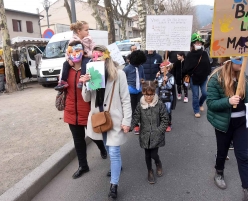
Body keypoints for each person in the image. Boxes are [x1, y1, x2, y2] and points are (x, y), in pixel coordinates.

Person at [82, 45, 132, 200]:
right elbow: (86, 99)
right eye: (93, 57)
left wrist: (126, 120)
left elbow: (125, 99)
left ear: (106, 57)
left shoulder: (119, 75)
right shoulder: (92, 74)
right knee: (107, 147)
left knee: (114, 152)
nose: (95, 59)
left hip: (115, 119)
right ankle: (116, 167)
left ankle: (114, 185)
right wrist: (85, 84)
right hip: (99, 120)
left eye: (98, 56)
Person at [207, 56, 248, 201]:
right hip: (223, 123)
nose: (244, 61)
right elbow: (211, 103)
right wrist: (228, 101)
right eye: (240, 59)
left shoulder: (243, 75)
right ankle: (219, 173)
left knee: (243, 156)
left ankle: (247, 187)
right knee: (222, 151)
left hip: (240, 124)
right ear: (230, 61)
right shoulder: (216, 79)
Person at [63, 41, 107, 180]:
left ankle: (102, 148)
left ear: (83, 51)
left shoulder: (90, 67)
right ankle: (83, 165)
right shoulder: (66, 69)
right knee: (78, 140)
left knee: (94, 135)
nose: (75, 53)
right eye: (72, 51)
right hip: (71, 110)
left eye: (78, 50)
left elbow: (98, 87)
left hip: (88, 109)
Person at [130, 80, 169, 184]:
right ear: (143, 93)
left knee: (154, 154)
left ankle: (158, 162)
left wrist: (159, 130)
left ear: (154, 93)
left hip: (156, 135)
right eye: (146, 95)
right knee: (147, 155)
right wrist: (129, 127)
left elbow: (165, 119)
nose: (149, 97)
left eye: (151, 94)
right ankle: (150, 171)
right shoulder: (140, 105)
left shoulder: (159, 104)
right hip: (145, 135)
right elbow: (136, 118)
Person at [55, 21, 95, 90]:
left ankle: (82, 79)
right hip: (74, 58)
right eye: (86, 30)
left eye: (88, 30)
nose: (88, 32)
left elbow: (94, 49)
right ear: (79, 31)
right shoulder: (73, 40)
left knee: (86, 63)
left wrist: (88, 54)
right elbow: (68, 51)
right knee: (65, 64)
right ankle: (63, 81)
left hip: (85, 57)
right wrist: (69, 59)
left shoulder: (89, 39)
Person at [183, 33, 211, 118]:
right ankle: (196, 110)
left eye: (200, 43)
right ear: (193, 44)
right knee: (195, 95)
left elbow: (208, 65)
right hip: (194, 78)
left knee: (205, 93)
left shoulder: (204, 53)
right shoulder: (190, 55)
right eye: (197, 43)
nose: (199, 44)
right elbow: (186, 67)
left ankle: (200, 103)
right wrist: (190, 74)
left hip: (204, 78)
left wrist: (208, 73)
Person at [155, 61, 176, 132]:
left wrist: (166, 81)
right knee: (160, 111)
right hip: (160, 95)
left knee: (167, 111)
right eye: (160, 67)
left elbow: (170, 87)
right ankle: (162, 123)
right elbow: (155, 85)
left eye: (162, 67)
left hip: (168, 96)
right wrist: (156, 78)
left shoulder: (171, 76)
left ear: (168, 68)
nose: (161, 68)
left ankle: (168, 124)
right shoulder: (160, 76)